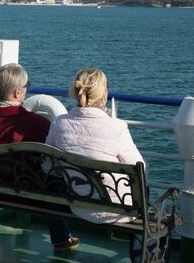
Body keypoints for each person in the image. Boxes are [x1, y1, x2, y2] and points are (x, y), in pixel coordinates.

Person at [0, 63, 80, 253]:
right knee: (57, 180)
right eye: (26, 86)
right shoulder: (38, 123)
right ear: (16, 93)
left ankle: (62, 238)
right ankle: (61, 238)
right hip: (33, 194)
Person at [45, 68, 145, 261]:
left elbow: (48, 166)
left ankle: (60, 240)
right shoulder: (116, 127)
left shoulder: (59, 123)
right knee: (143, 196)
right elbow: (140, 169)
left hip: (78, 204)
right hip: (115, 211)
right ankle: (140, 258)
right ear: (104, 93)